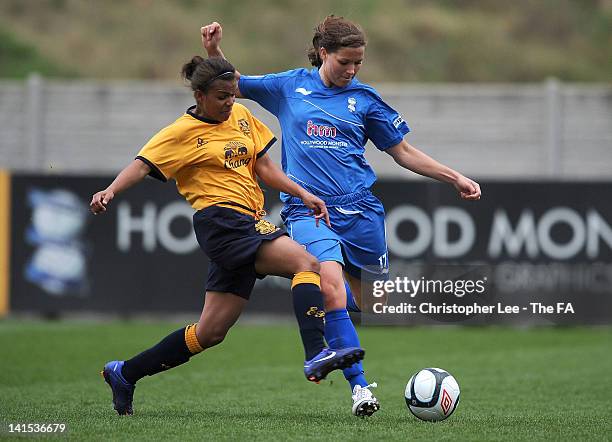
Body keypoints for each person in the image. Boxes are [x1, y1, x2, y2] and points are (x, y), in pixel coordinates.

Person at [201, 15, 482, 417]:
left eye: (358, 64)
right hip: (309, 209)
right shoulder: (288, 86)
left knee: (374, 305)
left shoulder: (365, 99)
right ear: (322, 53)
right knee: (327, 281)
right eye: (344, 62)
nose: (351, 70)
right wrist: (214, 52)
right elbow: (236, 84)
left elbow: (402, 151)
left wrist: (453, 176)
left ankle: (338, 317)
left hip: (362, 210)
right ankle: (360, 389)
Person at [91, 56, 365, 416]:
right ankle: (316, 352)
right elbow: (141, 165)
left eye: (232, 95)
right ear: (200, 96)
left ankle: (125, 373)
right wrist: (110, 191)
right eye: (221, 97)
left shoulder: (241, 117)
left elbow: (265, 168)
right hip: (221, 223)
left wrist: (302, 193)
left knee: (210, 333)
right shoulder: (181, 132)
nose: (229, 103)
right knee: (307, 262)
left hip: (248, 220)